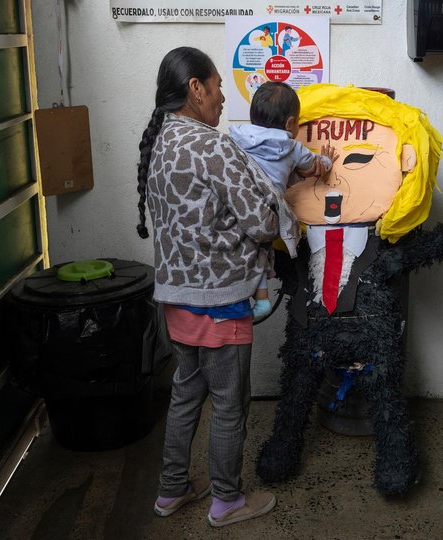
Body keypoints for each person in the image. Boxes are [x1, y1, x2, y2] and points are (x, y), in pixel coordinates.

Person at [135, 46, 296, 526]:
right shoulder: (211, 145)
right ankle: (226, 500)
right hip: (219, 301)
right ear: (195, 88)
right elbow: (261, 224)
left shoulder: (162, 140)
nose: (225, 97)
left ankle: (171, 490)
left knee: (186, 394)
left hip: (175, 300)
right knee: (229, 403)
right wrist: (277, 205)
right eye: (219, 85)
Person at [229, 81, 334, 321]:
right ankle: (263, 300)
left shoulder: (236, 138)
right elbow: (316, 166)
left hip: (239, 204)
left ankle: (244, 296)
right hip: (266, 209)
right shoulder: (291, 147)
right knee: (261, 248)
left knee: (243, 248)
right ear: (289, 123)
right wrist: (327, 161)